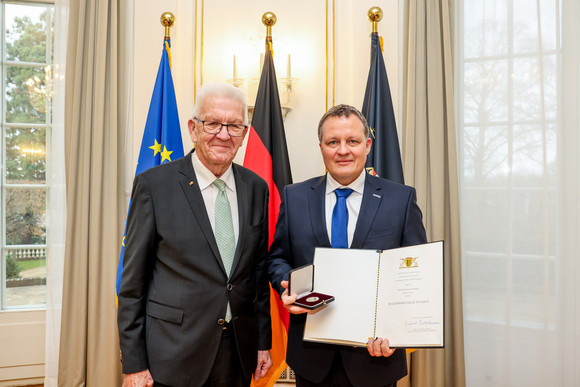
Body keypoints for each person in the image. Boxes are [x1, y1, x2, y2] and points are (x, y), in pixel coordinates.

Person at [117, 83, 273, 387]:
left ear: (244, 134)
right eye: (213, 123)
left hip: (238, 352)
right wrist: (134, 363)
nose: (223, 134)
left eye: (234, 126)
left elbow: (257, 275)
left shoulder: (256, 188)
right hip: (173, 353)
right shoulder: (154, 186)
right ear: (193, 128)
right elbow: (132, 284)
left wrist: (262, 341)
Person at [267, 104, 427, 387]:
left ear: (367, 145)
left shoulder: (400, 200)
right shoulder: (294, 196)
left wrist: (398, 332)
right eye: (333, 142)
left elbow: (416, 275)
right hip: (311, 360)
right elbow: (278, 259)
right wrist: (288, 285)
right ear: (321, 147)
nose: (343, 150)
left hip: (375, 358)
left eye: (352, 141)